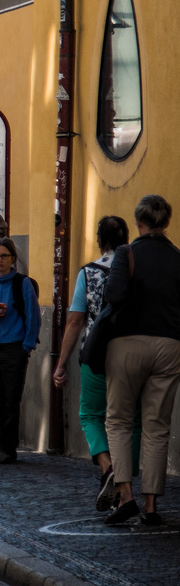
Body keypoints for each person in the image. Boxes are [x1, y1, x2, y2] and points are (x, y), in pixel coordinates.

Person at [103, 195, 180, 526]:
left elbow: (113, 296)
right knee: (157, 426)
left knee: (119, 419)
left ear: (139, 222)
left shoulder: (127, 252)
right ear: (166, 223)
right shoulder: (178, 257)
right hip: (170, 344)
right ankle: (151, 506)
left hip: (128, 343)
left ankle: (126, 496)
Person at [54, 215, 136, 512]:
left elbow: (75, 321)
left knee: (91, 415)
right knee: (132, 420)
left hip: (96, 352)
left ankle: (108, 466)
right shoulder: (136, 268)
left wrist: (61, 363)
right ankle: (126, 479)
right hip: (133, 352)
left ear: (99, 240)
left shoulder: (89, 272)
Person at [0, 236, 42, 464]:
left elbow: (33, 316)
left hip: (14, 348)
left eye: (4, 256)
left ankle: (9, 448)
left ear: (12, 258)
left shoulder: (22, 283)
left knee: (10, 400)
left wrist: (26, 346)